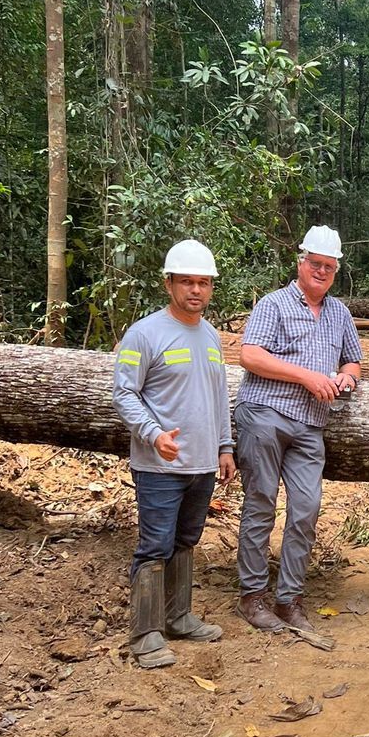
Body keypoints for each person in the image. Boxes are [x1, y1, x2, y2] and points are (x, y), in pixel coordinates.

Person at [113, 240, 236, 670]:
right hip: (160, 466)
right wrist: (152, 434)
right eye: (187, 281)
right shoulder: (144, 333)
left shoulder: (211, 336)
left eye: (203, 282)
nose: (196, 290)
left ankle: (178, 616)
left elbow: (219, 397)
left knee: (186, 541)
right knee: (155, 545)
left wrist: (225, 447)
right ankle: (145, 634)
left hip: (203, 464)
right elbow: (124, 393)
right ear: (169, 284)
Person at [234, 226, 362, 634]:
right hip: (265, 413)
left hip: (310, 424)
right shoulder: (273, 304)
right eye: (315, 263)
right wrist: (306, 376)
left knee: (306, 509)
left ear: (336, 270)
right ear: (301, 262)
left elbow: (353, 361)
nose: (321, 271)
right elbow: (250, 355)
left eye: (329, 266)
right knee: (260, 503)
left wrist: (347, 378)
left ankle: (289, 599)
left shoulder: (339, 313)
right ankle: (253, 597)